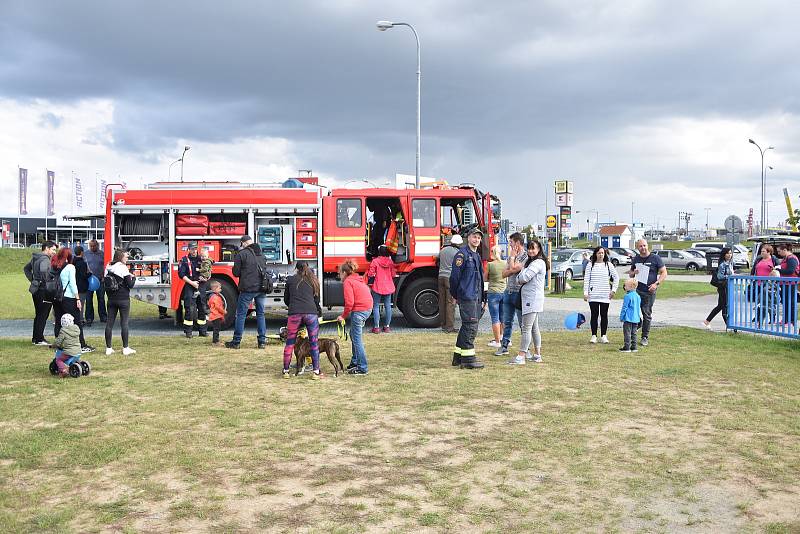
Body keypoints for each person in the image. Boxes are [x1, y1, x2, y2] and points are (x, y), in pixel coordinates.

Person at [450, 228, 486, 370]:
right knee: (471, 327)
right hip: (467, 296)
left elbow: (480, 279)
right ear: (468, 238)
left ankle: (458, 357)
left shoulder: (476, 256)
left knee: (466, 326)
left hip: (475, 296)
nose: (476, 240)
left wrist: (484, 298)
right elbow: (454, 278)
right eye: (474, 237)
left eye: (478, 237)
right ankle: (468, 359)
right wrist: (456, 295)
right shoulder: (461, 255)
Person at [508, 239, 548, 365]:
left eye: (533, 248)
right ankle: (537, 354)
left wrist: (520, 276)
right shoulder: (534, 262)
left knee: (526, 328)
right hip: (533, 298)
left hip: (532, 299)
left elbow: (524, 277)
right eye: (529, 248)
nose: (530, 251)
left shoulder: (537, 262)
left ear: (539, 249)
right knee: (534, 328)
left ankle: (521, 356)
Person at [225, 235, 268, 349]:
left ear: (243, 243)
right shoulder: (261, 254)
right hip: (261, 289)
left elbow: (235, 273)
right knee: (261, 314)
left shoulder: (242, 254)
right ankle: (262, 341)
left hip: (247, 289)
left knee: (241, 315)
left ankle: (236, 341)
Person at [282, 261, 323, 379]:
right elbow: (316, 300)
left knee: (290, 343)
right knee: (314, 343)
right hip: (311, 313)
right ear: (307, 268)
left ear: (296, 269)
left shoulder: (290, 280)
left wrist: (293, 305)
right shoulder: (313, 280)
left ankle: (286, 371)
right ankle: (316, 371)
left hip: (294, 313)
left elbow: (286, 300)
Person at [51, 247, 93, 353]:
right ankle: (81, 345)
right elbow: (73, 284)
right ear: (69, 256)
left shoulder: (55, 266)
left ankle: (59, 344)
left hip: (56, 297)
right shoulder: (70, 267)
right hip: (68, 297)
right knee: (77, 321)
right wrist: (77, 298)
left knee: (59, 321)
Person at [629, 239, 667, 346]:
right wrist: (633, 272)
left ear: (647, 245)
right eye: (640, 246)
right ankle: (639, 323)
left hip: (649, 291)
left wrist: (656, 284)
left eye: (644, 245)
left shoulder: (655, 258)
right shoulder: (636, 259)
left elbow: (664, 272)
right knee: (635, 311)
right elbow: (631, 274)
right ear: (637, 248)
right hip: (637, 290)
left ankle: (644, 337)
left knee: (646, 313)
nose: (643, 248)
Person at [337, 259, 373, 375]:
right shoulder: (358, 279)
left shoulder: (348, 282)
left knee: (357, 340)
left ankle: (362, 367)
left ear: (344, 272)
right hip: (367, 308)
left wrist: (343, 316)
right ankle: (355, 361)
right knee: (353, 335)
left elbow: (349, 303)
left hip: (359, 311)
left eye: (339, 273)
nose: (339, 276)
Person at [496, 232, 527, 356]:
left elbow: (513, 268)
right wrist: (511, 265)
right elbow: (503, 274)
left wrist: (512, 259)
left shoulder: (525, 257)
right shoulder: (511, 257)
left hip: (519, 292)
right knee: (507, 321)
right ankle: (504, 346)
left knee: (522, 322)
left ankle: (526, 348)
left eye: (511, 242)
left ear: (518, 243)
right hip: (508, 291)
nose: (509, 245)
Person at [23, 240, 58, 345]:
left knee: (39, 314)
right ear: (46, 248)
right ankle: (39, 339)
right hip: (43, 290)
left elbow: (26, 269)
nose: (54, 252)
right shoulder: (45, 259)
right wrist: (48, 280)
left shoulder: (35, 257)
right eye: (53, 249)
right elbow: (43, 271)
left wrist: (33, 280)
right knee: (43, 315)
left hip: (35, 289)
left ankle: (36, 338)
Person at [583, 247, 619, 343]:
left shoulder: (608, 265)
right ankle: (594, 335)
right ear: (595, 254)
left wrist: (613, 290)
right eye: (599, 253)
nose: (601, 255)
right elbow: (586, 279)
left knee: (604, 315)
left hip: (605, 295)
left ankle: (603, 335)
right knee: (594, 315)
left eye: (602, 253)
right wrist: (585, 293)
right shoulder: (590, 265)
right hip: (593, 295)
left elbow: (616, 277)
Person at [104, 248, 137, 355]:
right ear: (120, 257)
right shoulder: (123, 268)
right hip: (123, 299)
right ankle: (125, 348)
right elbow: (130, 285)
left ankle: (108, 348)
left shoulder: (108, 266)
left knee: (109, 324)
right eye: (126, 256)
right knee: (124, 323)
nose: (127, 258)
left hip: (111, 299)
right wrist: (134, 277)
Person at [178, 242, 207, 339]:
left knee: (202, 307)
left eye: (195, 249)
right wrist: (192, 283)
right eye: (192, 249)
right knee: (189, 308)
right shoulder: (184, 260)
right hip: (190, 285)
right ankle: (188, 331)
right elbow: (181, 275)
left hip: (201, 285)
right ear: (188, 249)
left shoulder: (202, 258)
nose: (194, 251)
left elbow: (208, 270)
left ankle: (202, 331)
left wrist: (206, 278)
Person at [366, 245, 397, 333]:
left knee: (375, 306)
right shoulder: (390, 262)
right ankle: (387, 327)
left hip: (377, 286)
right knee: (388, 306)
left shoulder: (375, 261)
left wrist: (369, 283)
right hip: (388, 286)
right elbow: (393, 275)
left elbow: (371, 274)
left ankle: (376, 328)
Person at [437, 234, 462, 333]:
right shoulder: (458, 253)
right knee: (450, 303)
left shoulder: (443, 250)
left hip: (440, 277)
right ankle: (450, 327)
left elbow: (437, 259)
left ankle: (443, 325)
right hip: (449, 278)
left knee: (442, 301)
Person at [703, 247, 733, 329]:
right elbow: (720, 276)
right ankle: (729, 325)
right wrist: (730, 276)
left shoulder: (728, 263)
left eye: (730, 253)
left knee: (720, 305)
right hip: (723, 287)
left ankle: (707, 321)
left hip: (726, 287)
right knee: (724, 306)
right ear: (724, 254)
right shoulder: (723, 264)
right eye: (727, 253)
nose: (729, 255)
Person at [486, 244, 506, 348]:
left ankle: (497, 341)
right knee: (503, 317)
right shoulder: (505, 263)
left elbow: (485, 278)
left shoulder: (490, 265)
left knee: (495, 318)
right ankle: (505, 338)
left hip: (493, 292)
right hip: (503, 291)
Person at [83, 239, 107, 325]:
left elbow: (106, 266)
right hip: (89, 281)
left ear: (97, 245)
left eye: (94, 246)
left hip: (100, 280)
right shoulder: (85, 254)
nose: (92, 247)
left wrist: (104, 276)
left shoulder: (102, 254)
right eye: (91, 246)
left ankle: (103, 317)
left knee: (101, 299)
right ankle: (89, 318)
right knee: (88, 300)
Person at [775, 244, 799, 326]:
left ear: (785, 250)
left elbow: (790, 271)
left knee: (790, 302)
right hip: (785, 283)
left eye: (779, 251)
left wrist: (779, 270)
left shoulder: (792, 258)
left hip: (790, 283)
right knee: (785, 302)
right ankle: (785, 319)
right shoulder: (786, 258)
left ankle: (791, 320)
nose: (778, 253)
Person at [52, 314, 82, 378]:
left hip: (69, 352)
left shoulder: (63, 331)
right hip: (78, 351)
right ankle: (76, 365)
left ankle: (64, 369)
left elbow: (58, 342)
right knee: (73, 356)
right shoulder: (76, 328)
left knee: (58, 359)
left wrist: (53, 345)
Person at [619, 278, 642, 353]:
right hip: (636, 318)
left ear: (631, 287)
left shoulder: (627, 296)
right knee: (634, 333)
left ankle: (627, 347)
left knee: (627, 333)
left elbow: (624, 308)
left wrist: (622, 317)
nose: (624, 287)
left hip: (628, 318)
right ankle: (634, 347)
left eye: (625, 286)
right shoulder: (638, 296)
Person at [72, 246, 91, 326]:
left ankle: (75, 319)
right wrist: (90, 274)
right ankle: (80, 320)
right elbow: (83, 275)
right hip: (81, 287)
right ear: (82, 252)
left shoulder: (73, 262)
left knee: (74, 304)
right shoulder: (82, 263)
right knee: (81, 304)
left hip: (74, 286)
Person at [206, 280, 226, 345]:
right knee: (216, 329)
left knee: (216, 328)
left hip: (214, 315)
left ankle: (216, 341)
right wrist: (224, 311)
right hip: (216, 315)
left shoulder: (212, 297)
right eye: (219, 288)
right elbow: (218, 307)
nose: (221, 290)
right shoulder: (215, 297)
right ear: (215, 289)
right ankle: (215, 342)